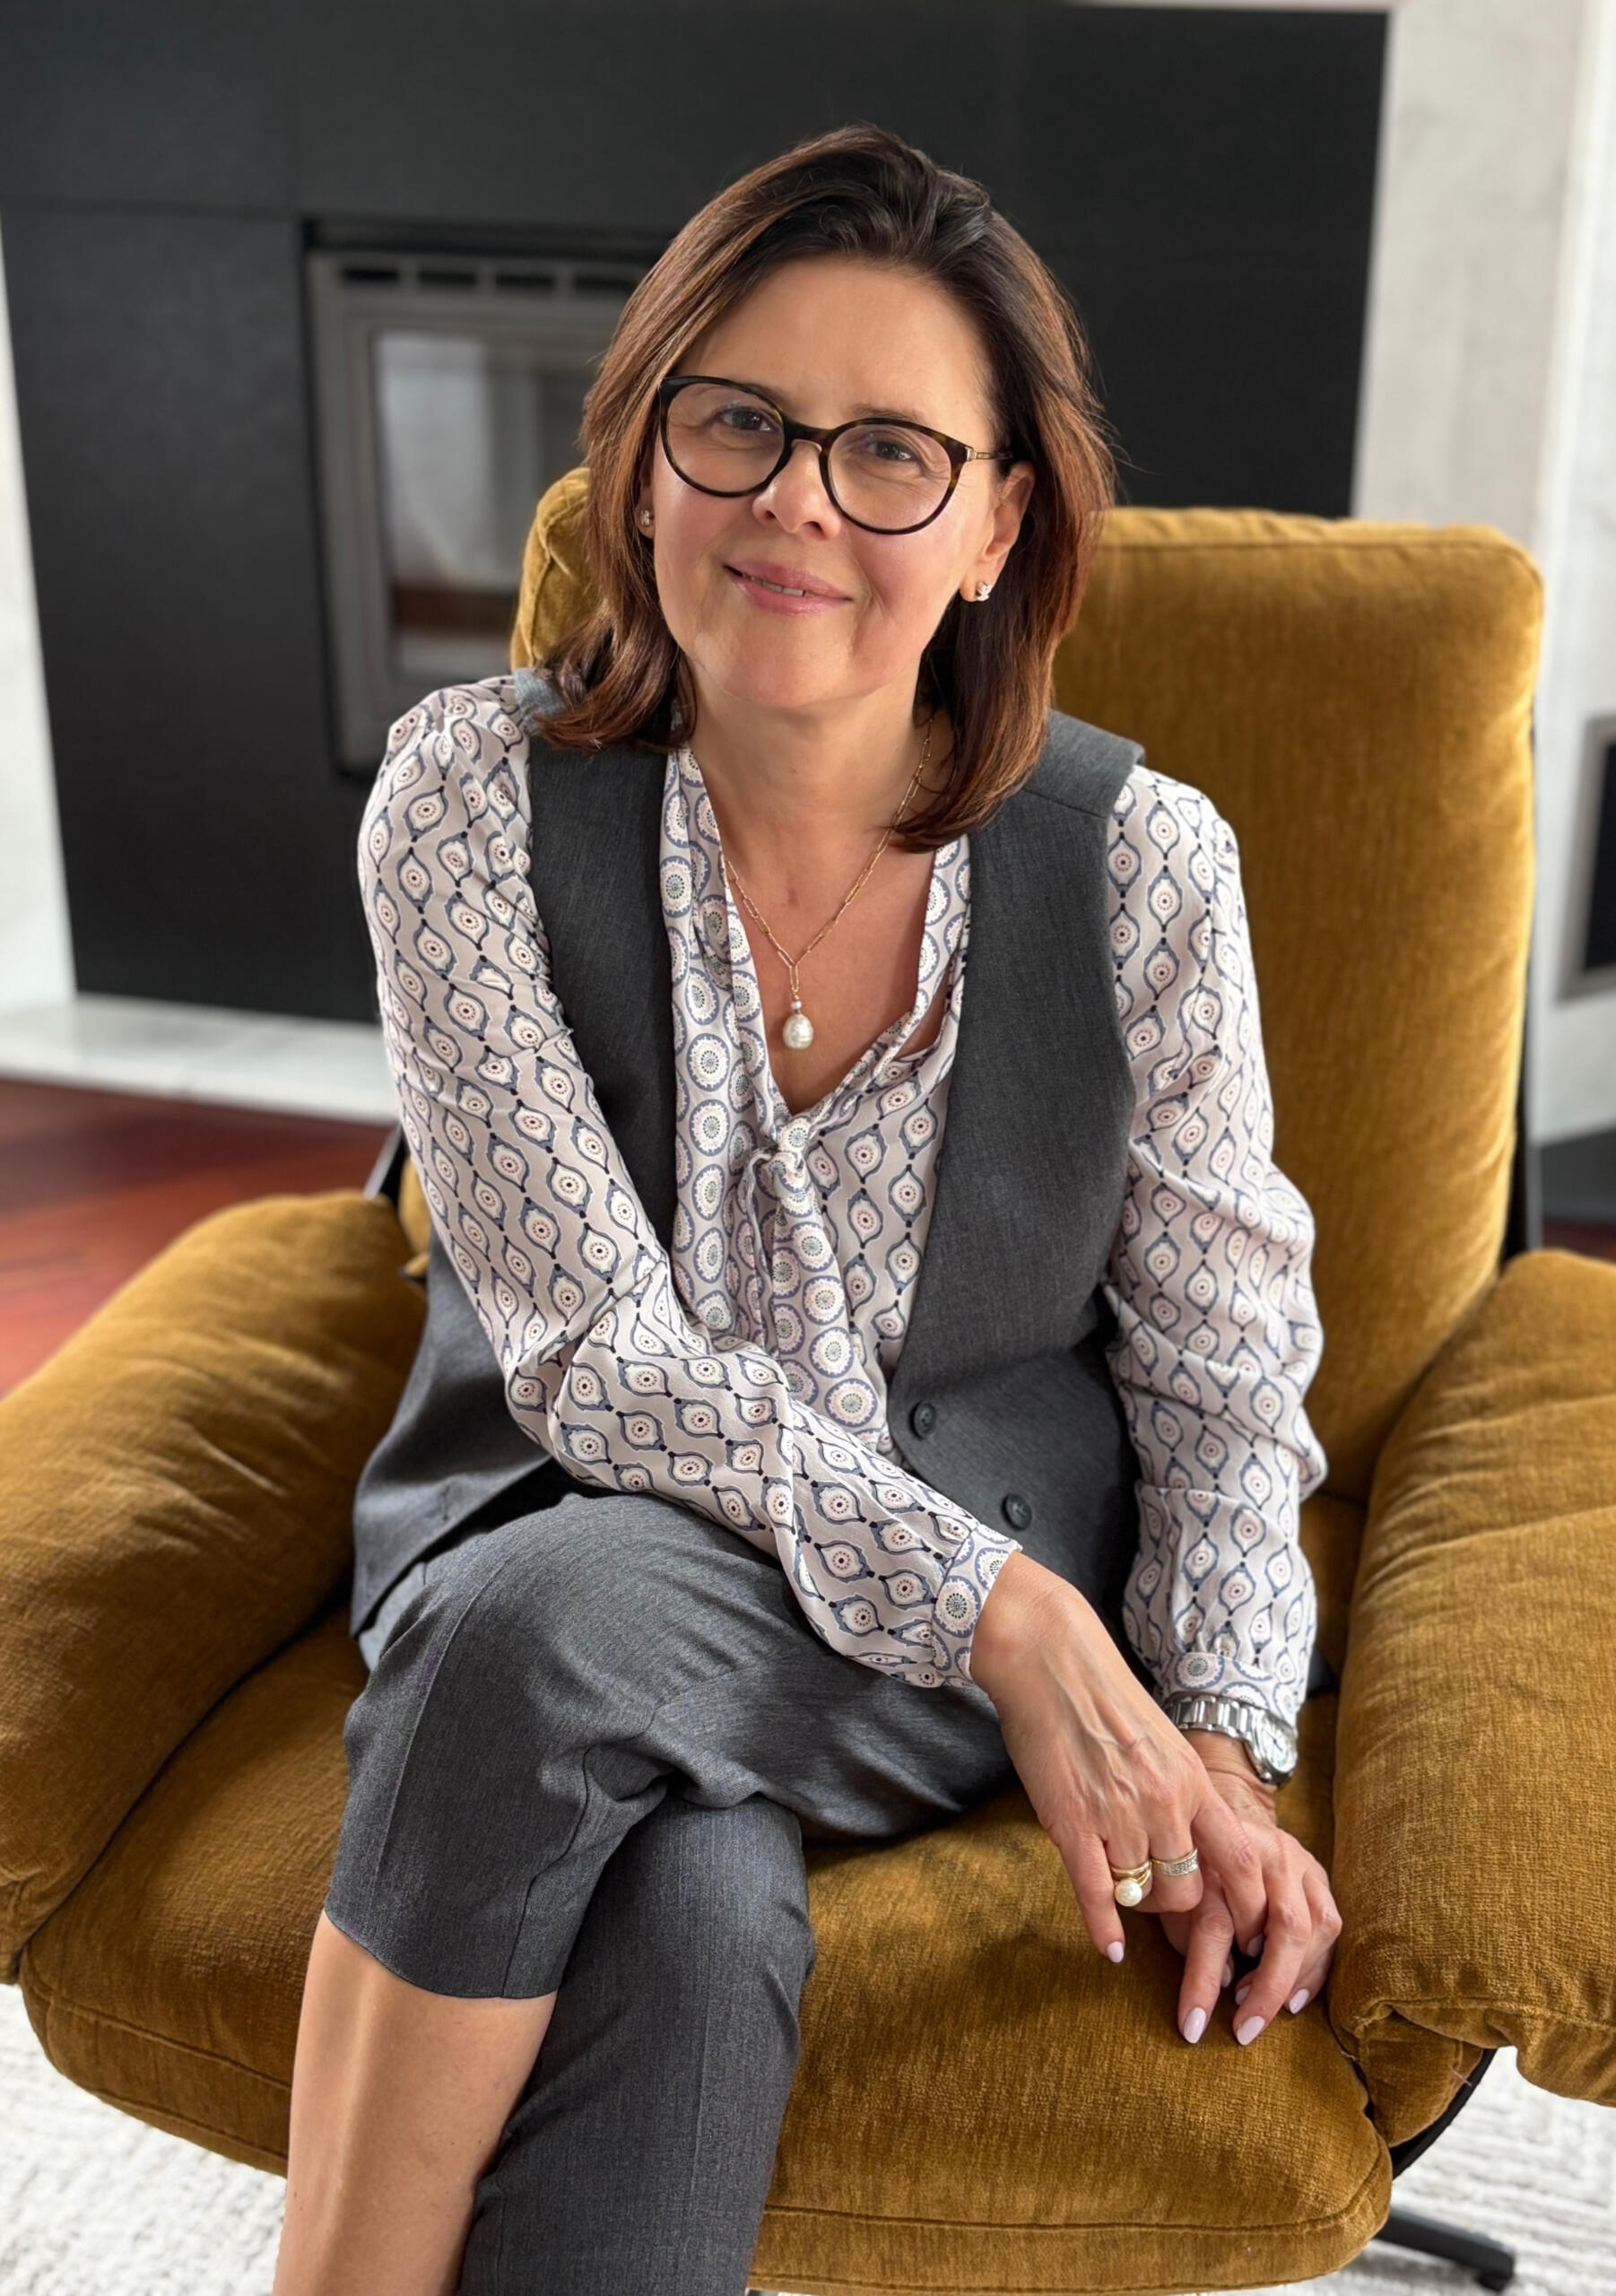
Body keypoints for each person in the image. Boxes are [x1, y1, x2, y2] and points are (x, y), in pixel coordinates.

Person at [273, 123, 1340, 2296]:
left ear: (996, 523)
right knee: (683, 1888)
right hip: (596, 1538)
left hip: (921, 1639)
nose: (794, 504)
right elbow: (592, 1356)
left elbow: (1224, 1374)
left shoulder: (1143, 868)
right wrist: (1002, 1611)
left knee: (532, 1650)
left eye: (890, 455)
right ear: (644, 450)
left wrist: (1217, 1744)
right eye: (738, 424)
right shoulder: (467, 799)